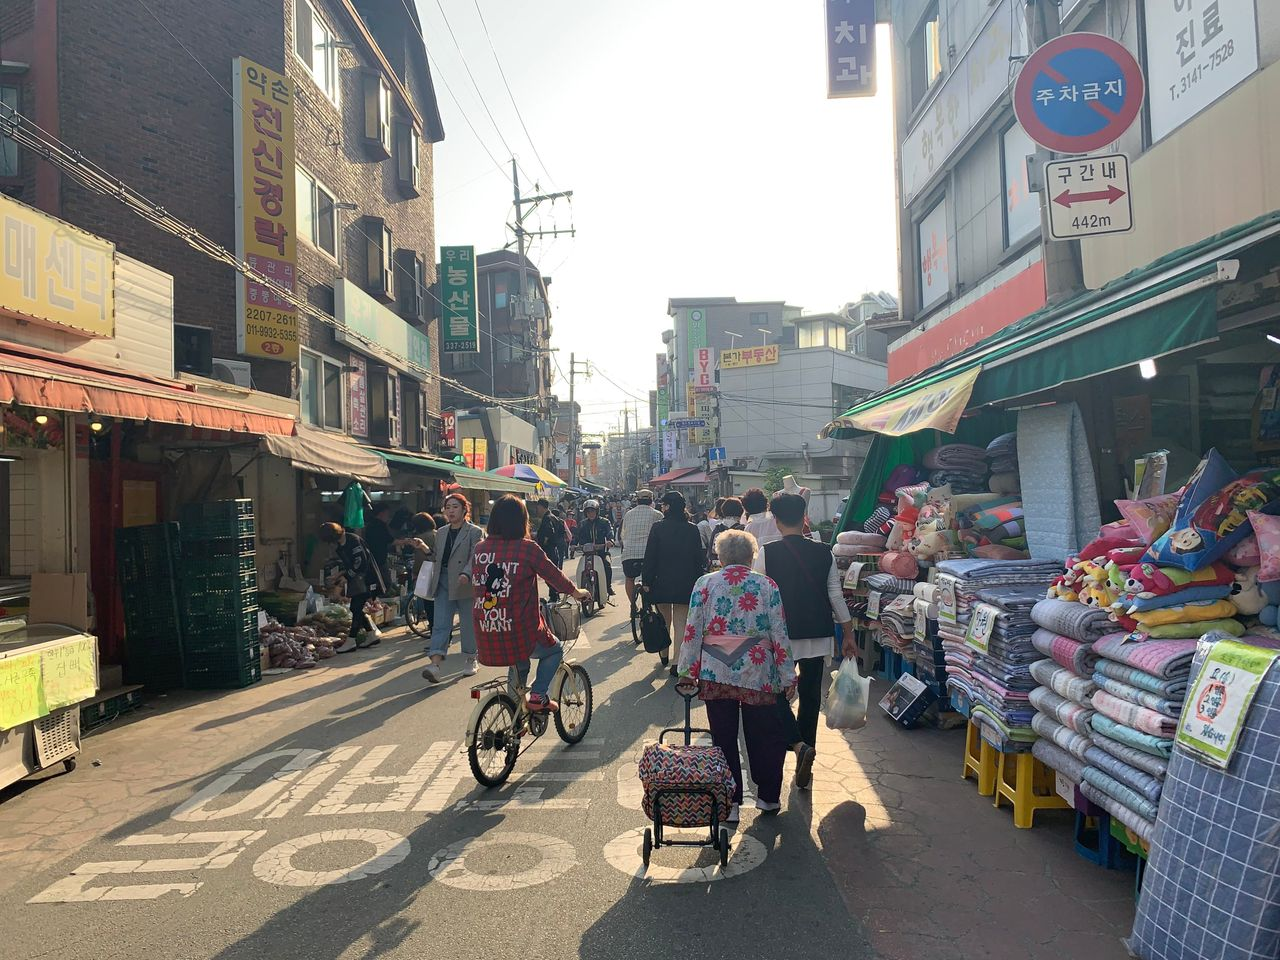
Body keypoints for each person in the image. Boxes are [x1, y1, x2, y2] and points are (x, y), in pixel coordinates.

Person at [678, 529, 796, 821]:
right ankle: (768, 797)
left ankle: (729, 803)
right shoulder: (767, 585)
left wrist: (686, 670)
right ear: (750, 556)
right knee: (765, 735)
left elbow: (692, 629)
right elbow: (779, 633)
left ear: (720, 557)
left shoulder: (704, 584)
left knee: (723, 737)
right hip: (758, 671)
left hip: (716, 671)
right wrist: (787, 676)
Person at [754, 492, 854, 789]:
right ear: (804, 516)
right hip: (819, 632)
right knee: (810, 696)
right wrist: (848, 634)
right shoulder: (825, 552)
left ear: (775, 518)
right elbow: (835, 595)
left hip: (781, 635)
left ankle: (797, 744)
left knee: (774, 693)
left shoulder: (767, 552)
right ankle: (805, 758)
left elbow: (760, 598)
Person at [472, 495, 591, 711]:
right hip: (520, 627)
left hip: (486, 626)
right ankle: (538, 695)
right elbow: (554, 576)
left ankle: (515, 714)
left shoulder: (480, 549)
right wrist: (576, 592)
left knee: (518, 660)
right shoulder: (527, 548)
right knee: (554, 649)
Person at [641, 490, 707, 675]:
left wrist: (646, 580)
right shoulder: (692, 529)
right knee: (681, 623)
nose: (662, 507)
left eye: (663, 505)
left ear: (668, 507)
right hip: (686, 581)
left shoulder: (658, 528)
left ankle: (664, 653)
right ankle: (677, 662)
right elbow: (698, 559)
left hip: (661, 581)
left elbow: (650, 557)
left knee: (664, 620)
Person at [422, 493, 483, 683]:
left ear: (465, 509)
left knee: (467, 624)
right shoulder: (440, 532)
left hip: (465, 583)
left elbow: (476, 556)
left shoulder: (474, 532)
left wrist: (467, 573)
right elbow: (437, 557)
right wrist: (424, 548)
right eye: (448, 507)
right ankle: (435, 664)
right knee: (440, 624)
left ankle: (471, 658)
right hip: (442, 581)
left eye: (455, 507)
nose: (450, 510)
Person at [318, 522, 387, 653]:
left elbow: (361, 563)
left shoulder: (353, 541)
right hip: (357, 581)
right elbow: (350, 564)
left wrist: (346, 577)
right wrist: (339, 574)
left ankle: (351, 640)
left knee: (355, 608)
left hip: (366, 579)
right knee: (357, 609)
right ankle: (371, 635)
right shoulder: (342, 544)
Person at [620, 489, 662, 607]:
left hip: (629, 554)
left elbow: (623, 535)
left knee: (629, 578)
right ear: (651, 501)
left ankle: (633, 605)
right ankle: (652, 604)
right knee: (654, 579)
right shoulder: (657, 514)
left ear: (637, 501)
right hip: (649, 556)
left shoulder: (628, 514)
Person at [573, 499, 616, 597]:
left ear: (597, 511)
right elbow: (576, 536)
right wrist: (572, 544)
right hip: (587, 553)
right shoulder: (582, 524)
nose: (590, 513)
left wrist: (611, 541)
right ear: (585, 513)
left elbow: (610, 532)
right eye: (588, 512)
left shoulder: (605, 522)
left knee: (607, 566)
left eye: (592, 511)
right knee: (581, 569)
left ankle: (608, 586)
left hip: (601, 552)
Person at [531, 498, 569, 599]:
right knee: (552, 574)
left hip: (549, 550)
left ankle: (554, 595)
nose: (536, 510)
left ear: (542, 507)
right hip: (554, 549)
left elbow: (549, 532)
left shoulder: (547, 518)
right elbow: (561, 532)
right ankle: (555, 594)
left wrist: (544, 542)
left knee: (549, 574)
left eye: (537, 507)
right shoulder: (554, 518)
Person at [363, 502, 396, 588]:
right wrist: (406, 541)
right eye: (387, 514)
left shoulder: (369, 525)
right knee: (385, 583)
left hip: (370, 558)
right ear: (382, 513)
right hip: (379, 558)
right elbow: (390, 540)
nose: (388, 517)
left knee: (374, 581)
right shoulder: (380, 525)